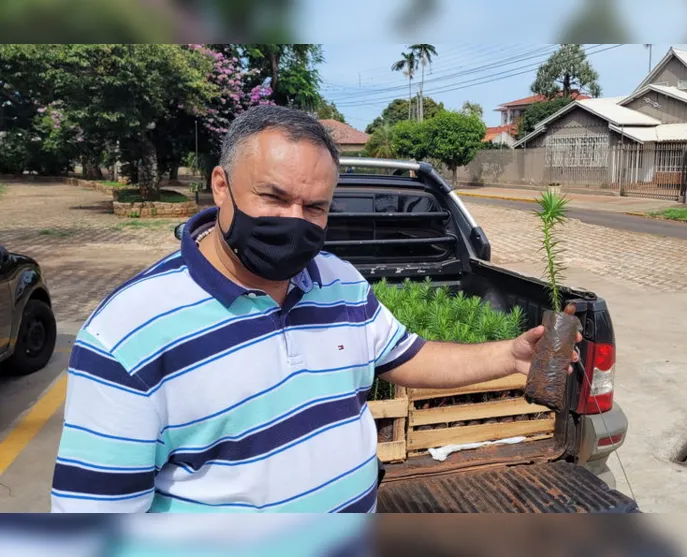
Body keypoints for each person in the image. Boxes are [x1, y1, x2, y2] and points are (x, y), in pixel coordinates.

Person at [51, 105, 577, 513]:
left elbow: (407, 355)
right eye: (274, 198)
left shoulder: (338, 281)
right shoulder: (129, 333)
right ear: (221, 186)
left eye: (315, 207)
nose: (294, 220)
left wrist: (510, 356)